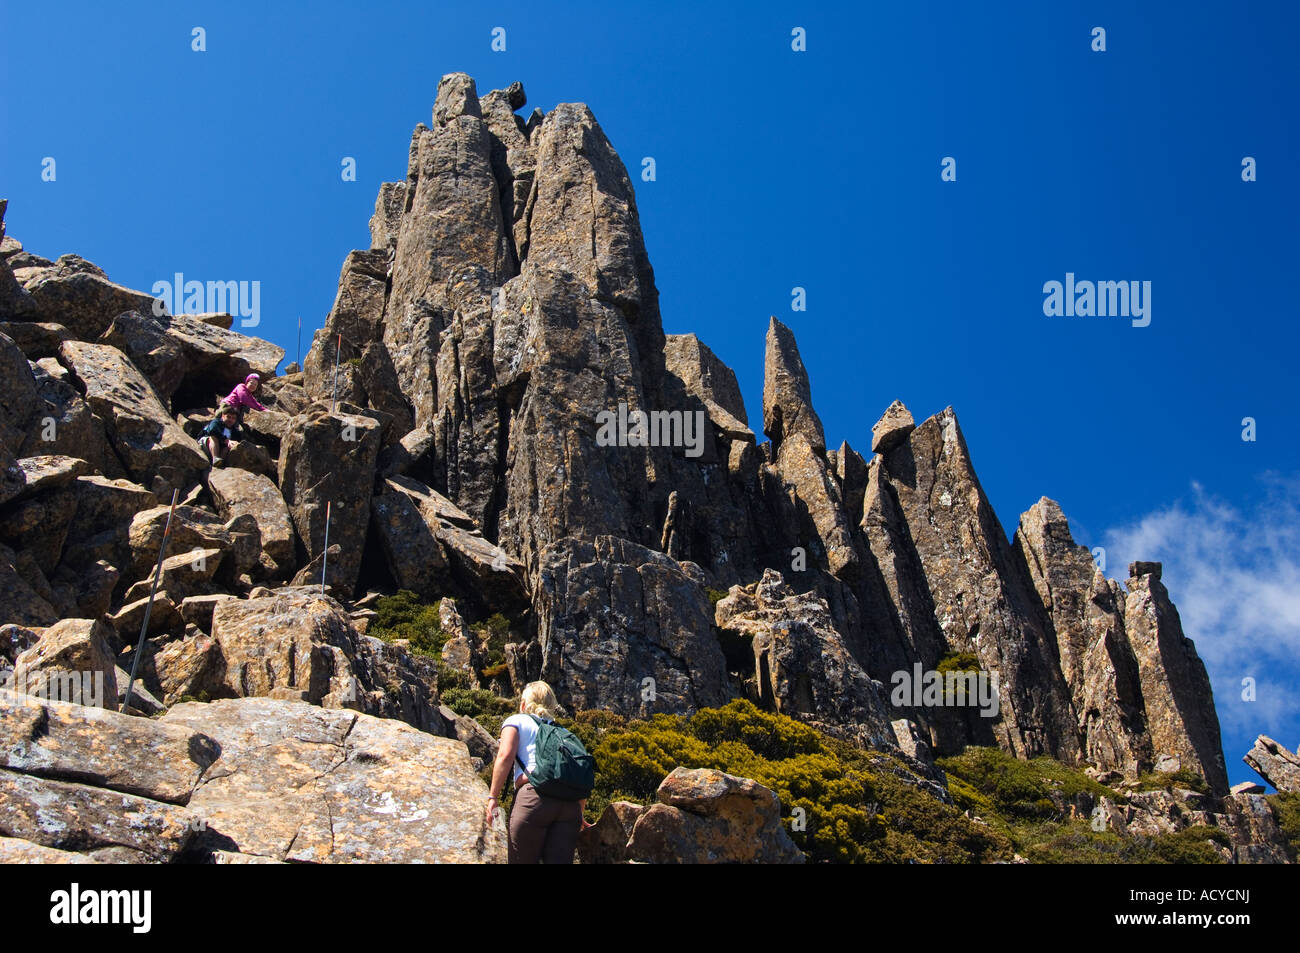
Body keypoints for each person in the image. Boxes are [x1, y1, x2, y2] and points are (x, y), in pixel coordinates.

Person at [487, 681, 590, 863]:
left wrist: (493, 798)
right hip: (570, 807)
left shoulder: (516, 720)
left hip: (533, 799)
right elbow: (576, 775)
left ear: (524, 704)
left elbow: (505, 755)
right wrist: (579, 813)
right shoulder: (564, 733)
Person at [201, 403, 245, 467]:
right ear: (223, 416)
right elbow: (212, 431)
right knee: (213, 437)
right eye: (228, 417)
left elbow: (238, 440)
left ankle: (220, 463)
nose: (230, 420)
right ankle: (215, 458)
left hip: (220, 448)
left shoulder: (235, 431)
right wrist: (227, 440)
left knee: (229, 447)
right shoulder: (216, 422)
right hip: (205, 444)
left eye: (233, 418)